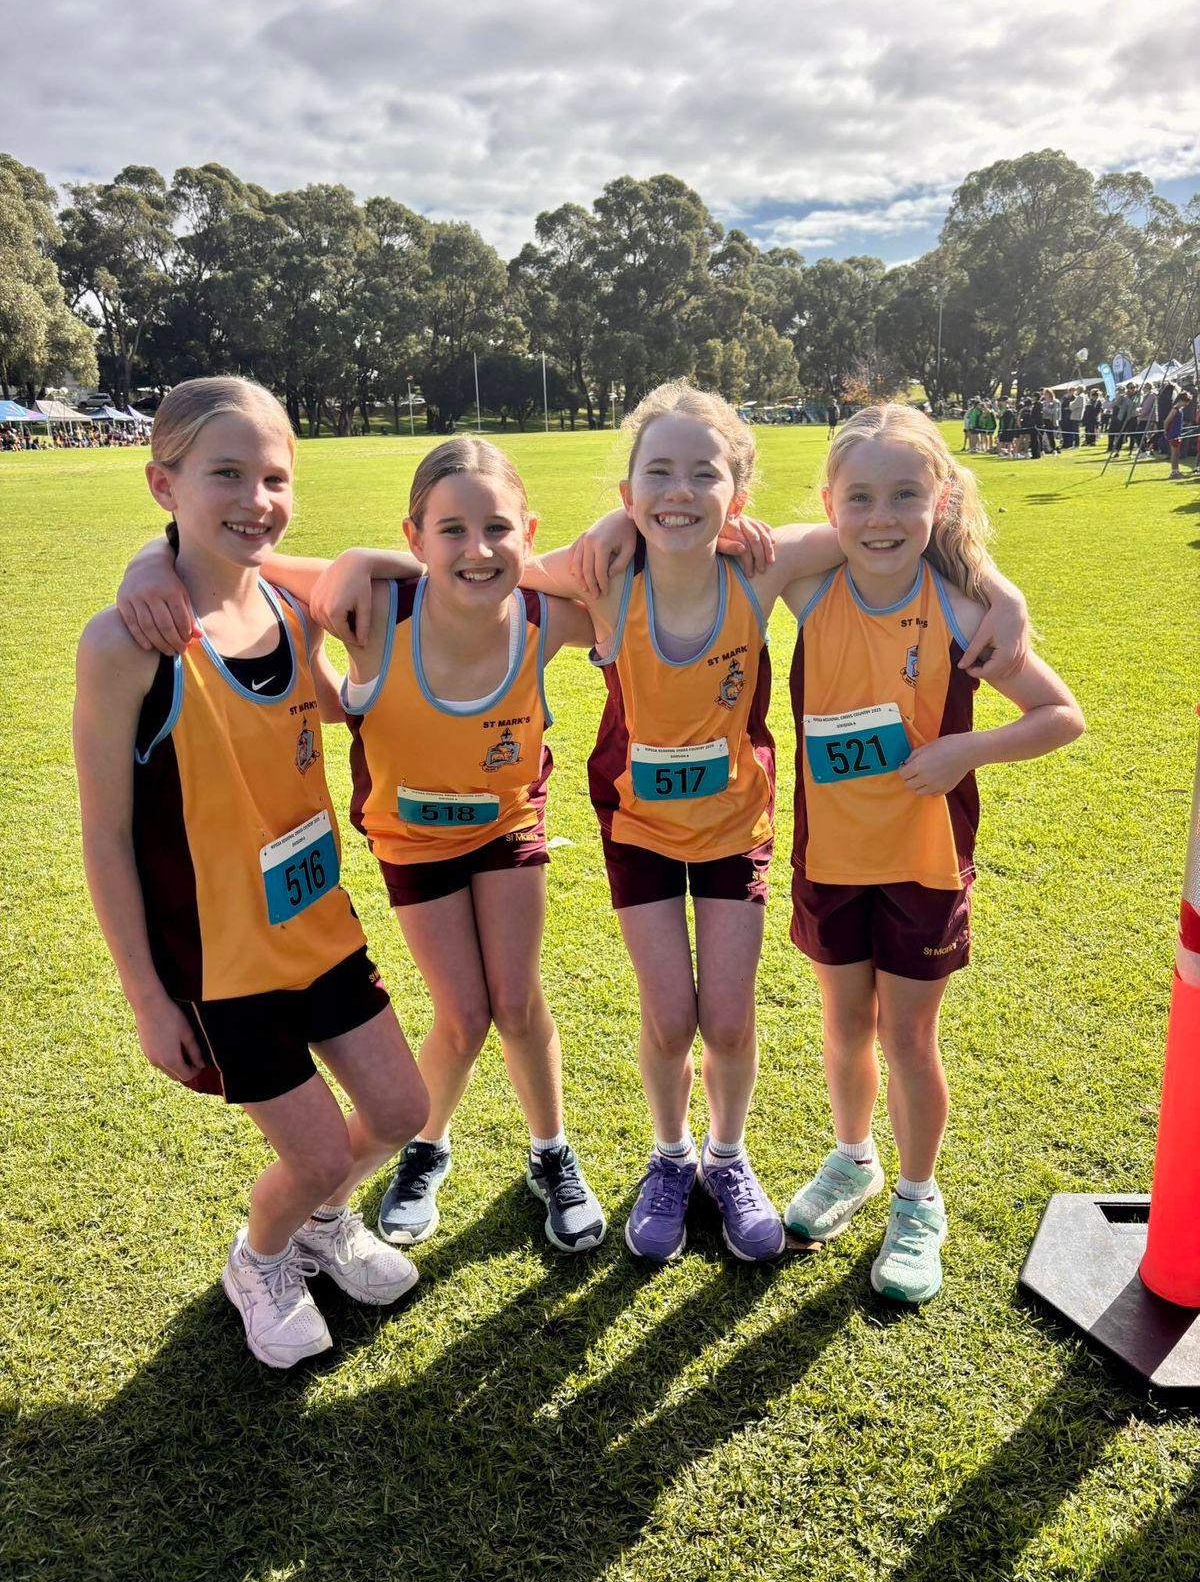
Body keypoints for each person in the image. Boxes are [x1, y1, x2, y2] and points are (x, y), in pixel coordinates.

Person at [558, 384, 1030, 1266]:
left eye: (703, 474)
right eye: (657, 473)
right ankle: (671, 1158)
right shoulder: (607, 575)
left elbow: (881, 534)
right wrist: (613, 526)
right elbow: (493, 575)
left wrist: (998, 587)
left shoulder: (762, 566)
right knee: (669, 1019)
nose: (679, 490)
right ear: (629, 487)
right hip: (640, 831)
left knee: (731, 1021)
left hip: (737, 826)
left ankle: (728, 1158)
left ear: (738, 496)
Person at [118, 437, 610, 1256]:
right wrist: (149, 562)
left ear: (528, 532)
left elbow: (632, 580)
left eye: (498, 528)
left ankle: (551, 1153)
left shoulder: (543, 617)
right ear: (415, 537)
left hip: (507, 829)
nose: (478, 548)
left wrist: (621, 530)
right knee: (463, 1016)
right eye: (450, 530)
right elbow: (238, 560)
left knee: (518, 1003)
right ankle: (426, 1148)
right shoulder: (377, 610)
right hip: (413, 844)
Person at [77, 377, 429, 1369]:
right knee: (313, 1154)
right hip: (221, 961)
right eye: (225, 474)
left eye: (275, 477)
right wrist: (148, 1000)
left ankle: (321, 1227)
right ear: (164, 483)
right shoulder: (127, 644)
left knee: (401, 1113)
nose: (256, 499)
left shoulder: (291, 602)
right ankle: (261, 1259)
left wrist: (359, 561)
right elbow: (105, 835)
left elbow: (429, 572)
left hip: (320, 929)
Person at [779, 404, 1084, 1302]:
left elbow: (1060, 715)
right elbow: (732, 536)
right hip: (829, 860)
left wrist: (965, 750)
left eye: (906, 495)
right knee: (844, 1026)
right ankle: (853, 1159)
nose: (882, 518)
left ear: (939, 499)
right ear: (830, 504)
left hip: (924, 863)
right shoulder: (810, 588)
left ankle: (917, 1202)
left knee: (907, 1038)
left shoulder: (960, 609)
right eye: (860, 498)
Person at [1164, 390, 1190, 478]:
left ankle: (1176, 471)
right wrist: (1166, 432)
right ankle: (1174, 472)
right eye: (1186, 402)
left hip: (1177, 434)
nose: (1187, 404)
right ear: (1181, 400)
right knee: (1174, 454)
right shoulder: (1175, 409)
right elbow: (1167, 421)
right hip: (1173, 434)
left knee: (1177, 454)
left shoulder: (1180, 410)